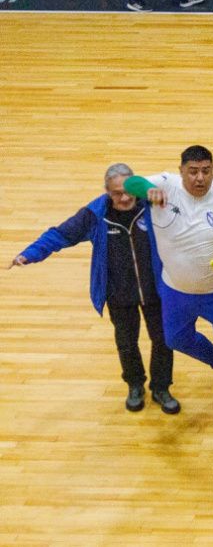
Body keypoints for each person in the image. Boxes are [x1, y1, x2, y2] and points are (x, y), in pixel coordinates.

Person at [8, 163, 178, 415]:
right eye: (117, 193)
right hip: (118, 293)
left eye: (128, 191)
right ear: (107, 192)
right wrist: (30, 254)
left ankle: (161, 388)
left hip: (156, 290)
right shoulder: (95, 214)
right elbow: (61, 235)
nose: (124, 198)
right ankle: (134, 385)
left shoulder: (151, 206)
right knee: (126, 343)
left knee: (164, 340)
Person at [123, 145, 213, 432]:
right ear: (181, 171)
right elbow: (130, 183)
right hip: (176, 291)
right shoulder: (165, 184)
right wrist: (148, 190)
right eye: (193, 171)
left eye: (206, 171)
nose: (200, 178)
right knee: (176, 339)